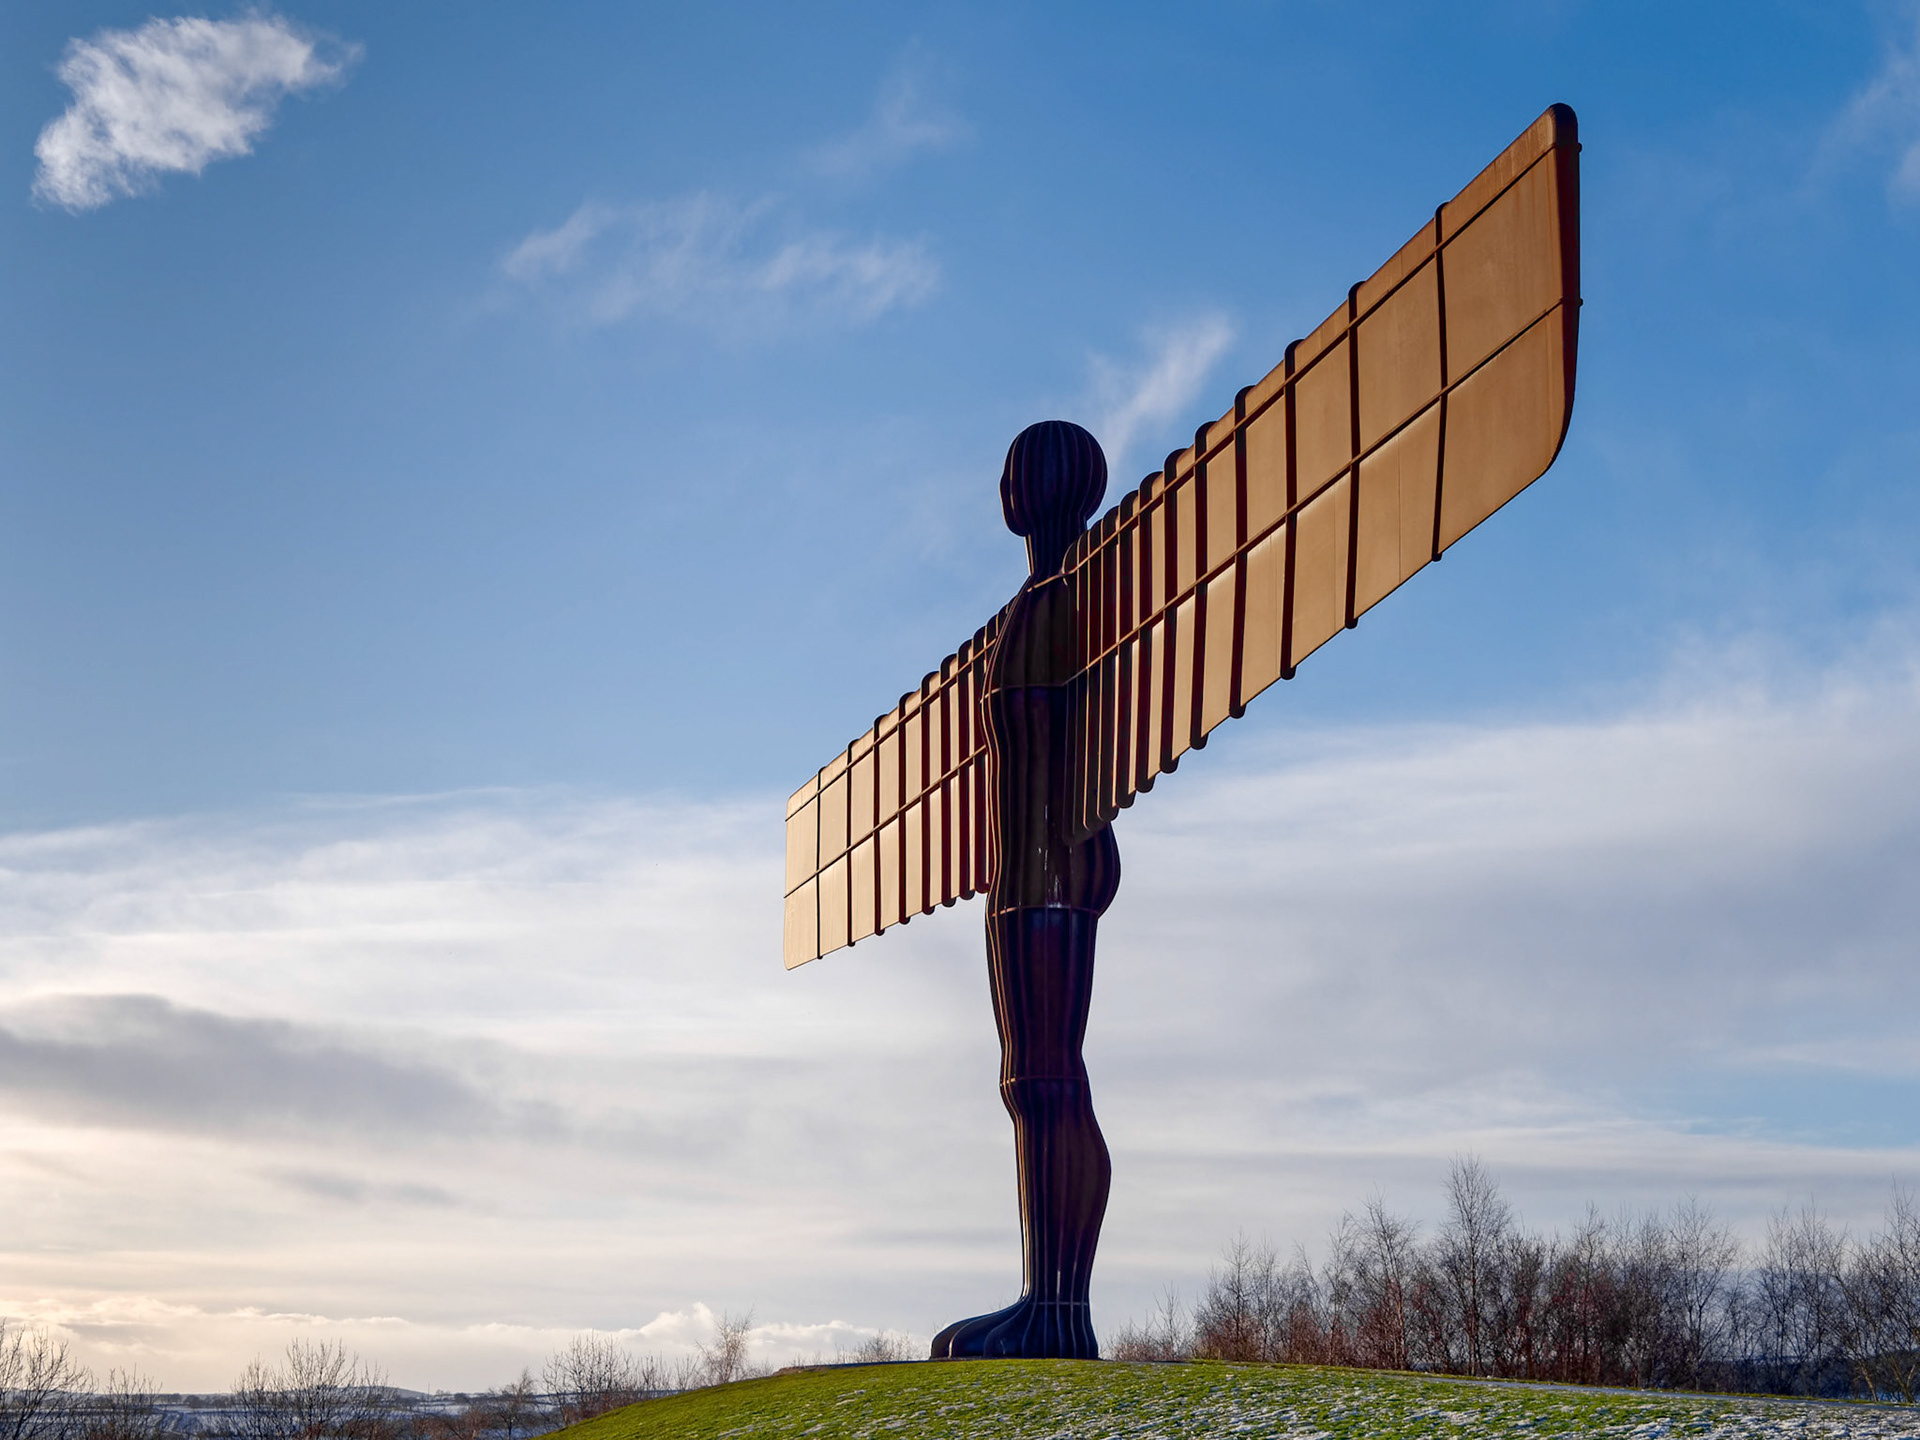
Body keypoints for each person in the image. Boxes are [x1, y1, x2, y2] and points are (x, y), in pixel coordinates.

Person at [930, 421, 1120, 1361]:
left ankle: (1060, 1311)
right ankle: (1041, 1300)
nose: (1004, 486)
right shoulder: (1023, 609)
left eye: (1014, 468)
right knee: (1025, 1085)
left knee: (1052, 1080)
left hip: (1058, 870)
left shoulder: (1093, 589)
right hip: (1014, 881)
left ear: (1043, 486)